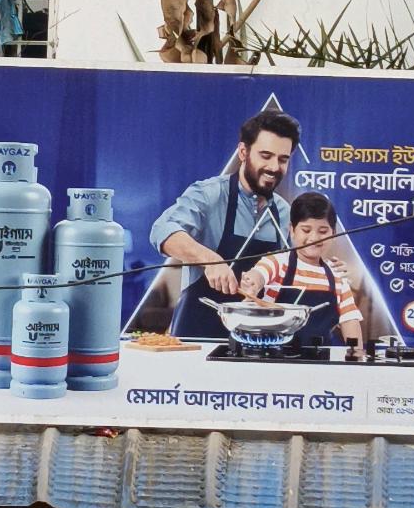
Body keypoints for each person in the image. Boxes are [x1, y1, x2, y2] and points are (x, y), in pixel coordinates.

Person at [149, 110, 300, 339]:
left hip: (256, 339)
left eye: (283, 159)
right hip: (198, 337)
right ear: (243, 152)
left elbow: (289, 269)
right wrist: (210, 259)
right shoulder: (209, 194)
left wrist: (323, 268)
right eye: (265, 156)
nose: (274, 167)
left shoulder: (284, 212)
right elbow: (162, 231)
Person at [241, 193, 364, 348]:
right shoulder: (278, 262)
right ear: (292, 231)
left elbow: (350, 320)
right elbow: (259, 275)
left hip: (320, 358)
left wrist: (357, 354)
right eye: (306, 230)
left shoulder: (337, 276)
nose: (314, 238)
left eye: (323, 231)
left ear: (333, 234)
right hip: (273, 355)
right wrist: (252, 283)